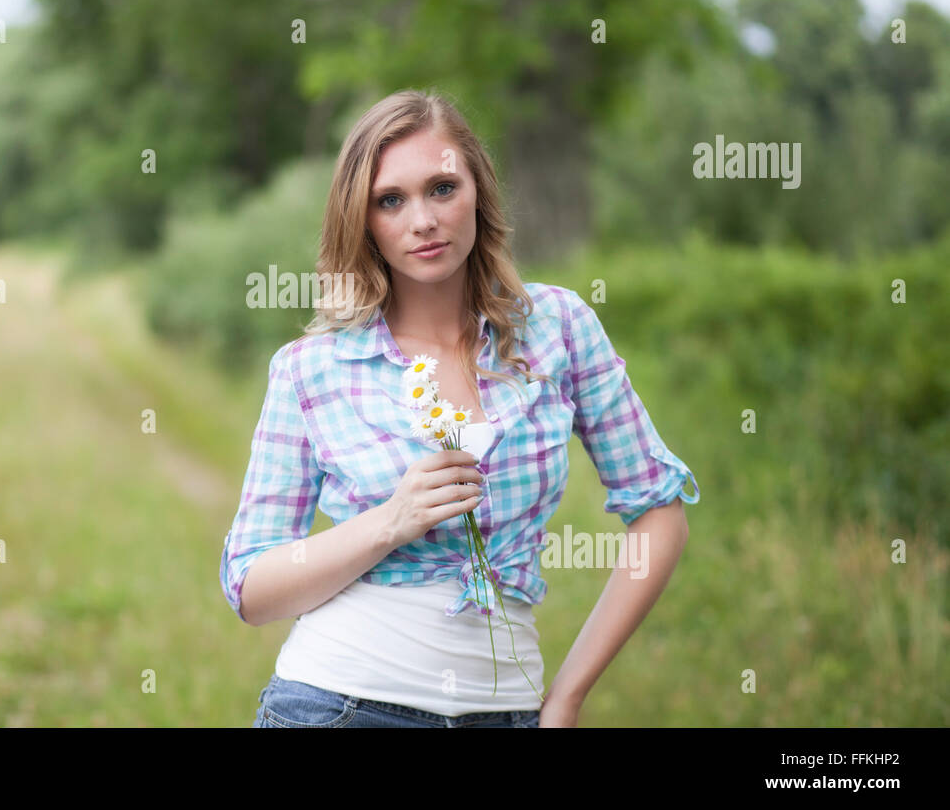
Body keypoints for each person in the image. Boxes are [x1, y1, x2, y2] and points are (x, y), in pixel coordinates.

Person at [220, 88, 700, 728]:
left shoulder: (558, 328)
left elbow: (659, 514)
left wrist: (566, 698)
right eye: (390, 200)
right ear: (362, 220)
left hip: (507, 712)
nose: (422, 220)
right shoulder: (312, 368)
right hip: (338, 706)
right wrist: (392, 521)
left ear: (479, 191)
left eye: (442, 188)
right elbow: (252, 586)